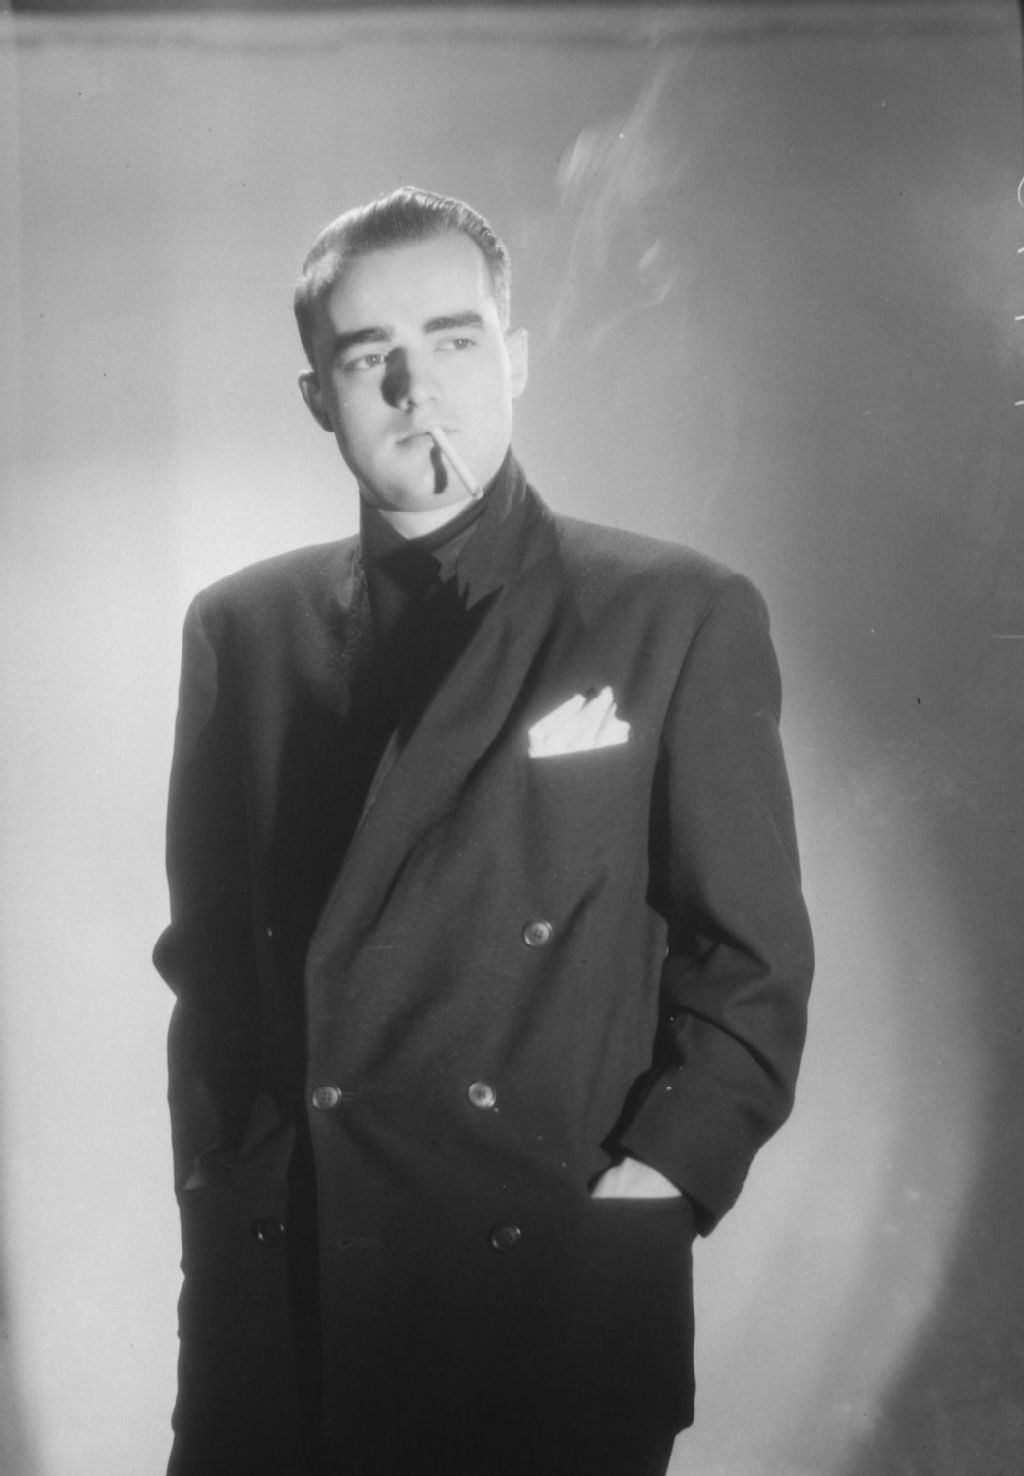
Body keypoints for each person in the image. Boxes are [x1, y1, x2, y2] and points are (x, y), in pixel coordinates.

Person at [154, 186, 814, 1476]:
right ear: (318, 397)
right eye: (369, 358)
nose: (417, 389)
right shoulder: (243, 630)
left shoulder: (672, 613)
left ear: (513, 358)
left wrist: (654, 1190)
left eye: (453, 340)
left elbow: (752, 971)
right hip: (290, 1292)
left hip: (542, 1291)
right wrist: (222, 1190)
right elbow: (213, 971)